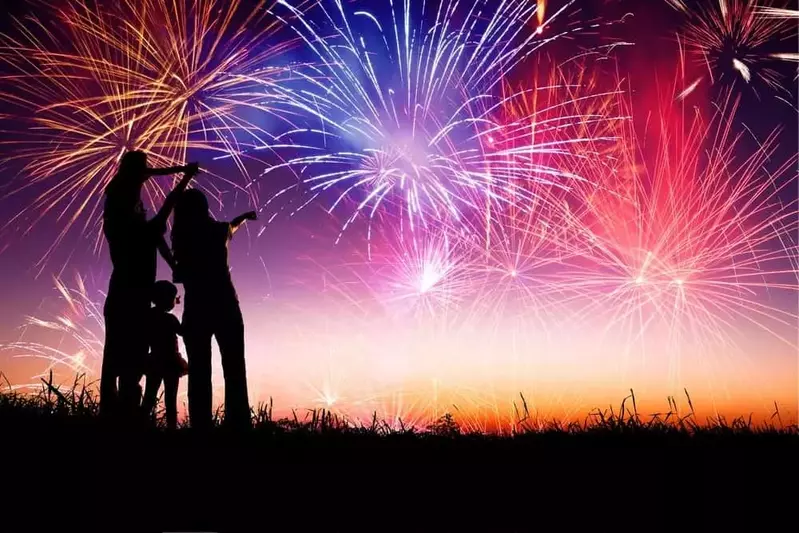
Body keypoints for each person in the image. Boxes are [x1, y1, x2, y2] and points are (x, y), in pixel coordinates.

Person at [100, 151, 199, 421]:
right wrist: (184, 176)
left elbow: (160, 241)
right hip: (132, 298)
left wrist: (180, 170)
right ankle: (125, 417)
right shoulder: (138, 226)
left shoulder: (126, 224)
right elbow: (168, 204)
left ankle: (116, 415)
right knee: (129, 360)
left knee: (118, 359)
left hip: (123, 295)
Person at [171, 188, 256, 430]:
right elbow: (231, 227)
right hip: (226, 304)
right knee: (235, 369)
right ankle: (238, 424)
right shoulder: (219, 231)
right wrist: (244, 217)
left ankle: (201, 427)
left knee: (198, 372)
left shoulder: (180, 238)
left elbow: (180, 273)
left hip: (196, 307)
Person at [141, 280, 188, 430]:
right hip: (171, 362)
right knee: (171, 398)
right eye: (173, 298)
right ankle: (171, 428)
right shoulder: (170, 319)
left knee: (149, 395)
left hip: (154, 360)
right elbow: (182, 331)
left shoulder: (148, 315)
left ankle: (140, 424)